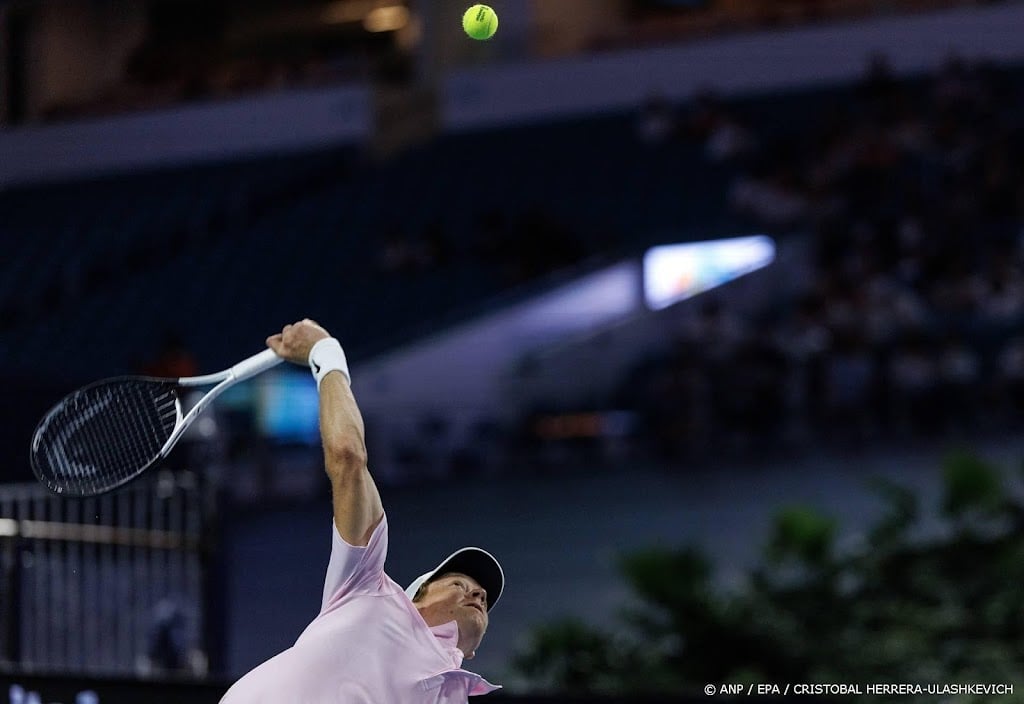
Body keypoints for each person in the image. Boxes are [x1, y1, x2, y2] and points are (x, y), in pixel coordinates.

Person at [220, 319, 504, 703]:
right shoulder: (366, 587)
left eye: (482, 596)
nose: (479, 593)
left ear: (472, 652)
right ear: (414, 594)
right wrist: (325, 351)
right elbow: (348, 458)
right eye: (459, 584)